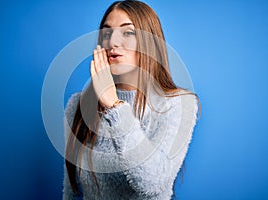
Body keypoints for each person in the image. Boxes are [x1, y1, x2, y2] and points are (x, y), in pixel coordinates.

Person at [63, 0, 200, 199]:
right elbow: (70, 191)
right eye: (107, 33)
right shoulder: (77, 105)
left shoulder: (180, 104)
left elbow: (152, 184)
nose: (113, 42)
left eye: (128, 32)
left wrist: (114, 106)